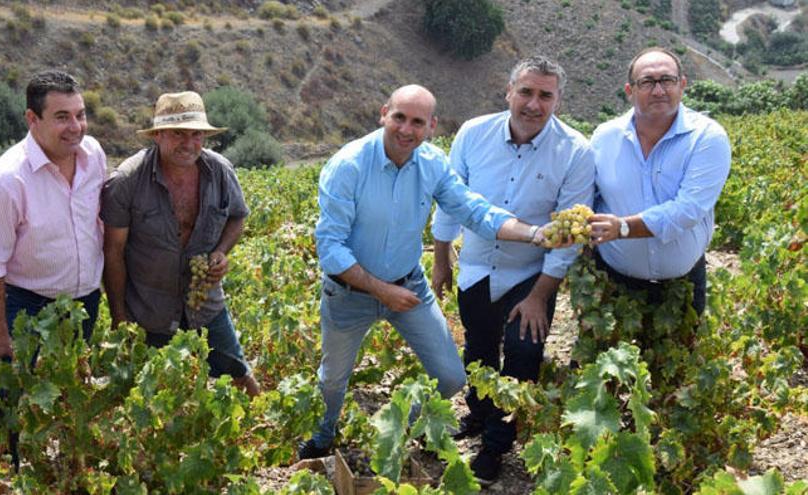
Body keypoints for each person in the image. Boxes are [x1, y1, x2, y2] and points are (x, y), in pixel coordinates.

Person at [298, 84, 554, 461]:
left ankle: (393, 426)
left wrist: (534, 234)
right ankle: (322, 436)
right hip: (349, 293)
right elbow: (330, 248)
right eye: (399, 117)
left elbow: (475, 210)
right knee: (333, 380)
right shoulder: (348, 165)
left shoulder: (432, 163)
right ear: (383, 113)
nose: (406, 129)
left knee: (451, 377)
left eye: (417, 122)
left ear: (431, 126)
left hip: (408, 287)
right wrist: (381, 291)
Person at [431, 56, 595, 481]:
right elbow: (451, 198)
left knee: (523, 355)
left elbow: (567, 233)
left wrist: (540, 296)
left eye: (545, 95)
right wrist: (441, 257)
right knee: (479, 348)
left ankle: (495, 447)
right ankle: (481, 414)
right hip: (476, 266)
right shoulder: (473, 133)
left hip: (530, 274)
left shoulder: (576, 151)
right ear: (509, 92)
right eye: (526, 91)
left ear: (558, 99)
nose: (533, 104)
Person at [0, 69, 106, 469]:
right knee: (5, 399)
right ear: (32, 119)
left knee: (71, 395)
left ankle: (65, 474)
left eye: (80, 114)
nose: (75, 127)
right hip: (27, 304)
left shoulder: (94, 156)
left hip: (84, 303)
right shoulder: (4, 180)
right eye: (62, 116)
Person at [101, 91, 260, 397]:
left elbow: (237, 218)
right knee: (154, 395)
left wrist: (220, 252)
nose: (189, 144)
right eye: (178, 134)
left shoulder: (220, 172)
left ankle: (268, 437)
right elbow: (114, 252)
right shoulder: (128, 181)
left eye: (196, 134)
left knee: (240, 374)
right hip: (150, 310)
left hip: (206, 305)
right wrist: (119, 315)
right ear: (158, 135)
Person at [587, 47, 731, 315]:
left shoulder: (708, 138)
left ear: (682, 85)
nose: (659, 91)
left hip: (682, 285)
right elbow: (589, 199)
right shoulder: (603, 137)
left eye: (667, 80)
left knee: (682, 357)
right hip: (612, 282)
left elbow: (688, 211)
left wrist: (623, 228)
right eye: (647, 82)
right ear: (629, 91)